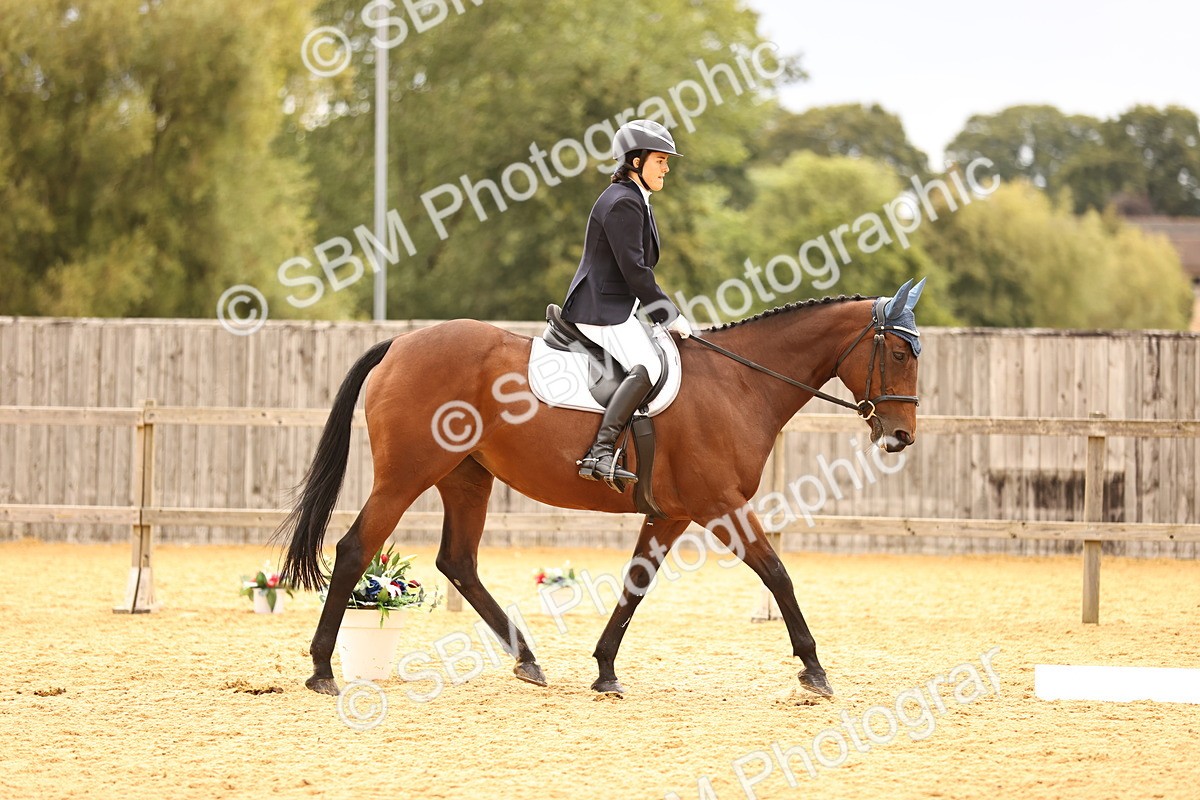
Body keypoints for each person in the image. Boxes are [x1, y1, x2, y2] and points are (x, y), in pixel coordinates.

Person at [561, 119, 693, 489]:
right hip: (600, 309)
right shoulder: (623, 202)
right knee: (649, 365)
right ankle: (600, 452)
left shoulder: (635, 198)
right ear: (636, 161)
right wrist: (669, 315)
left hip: (618, 307)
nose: (666, 168)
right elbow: (635, 272)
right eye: (660, 160)